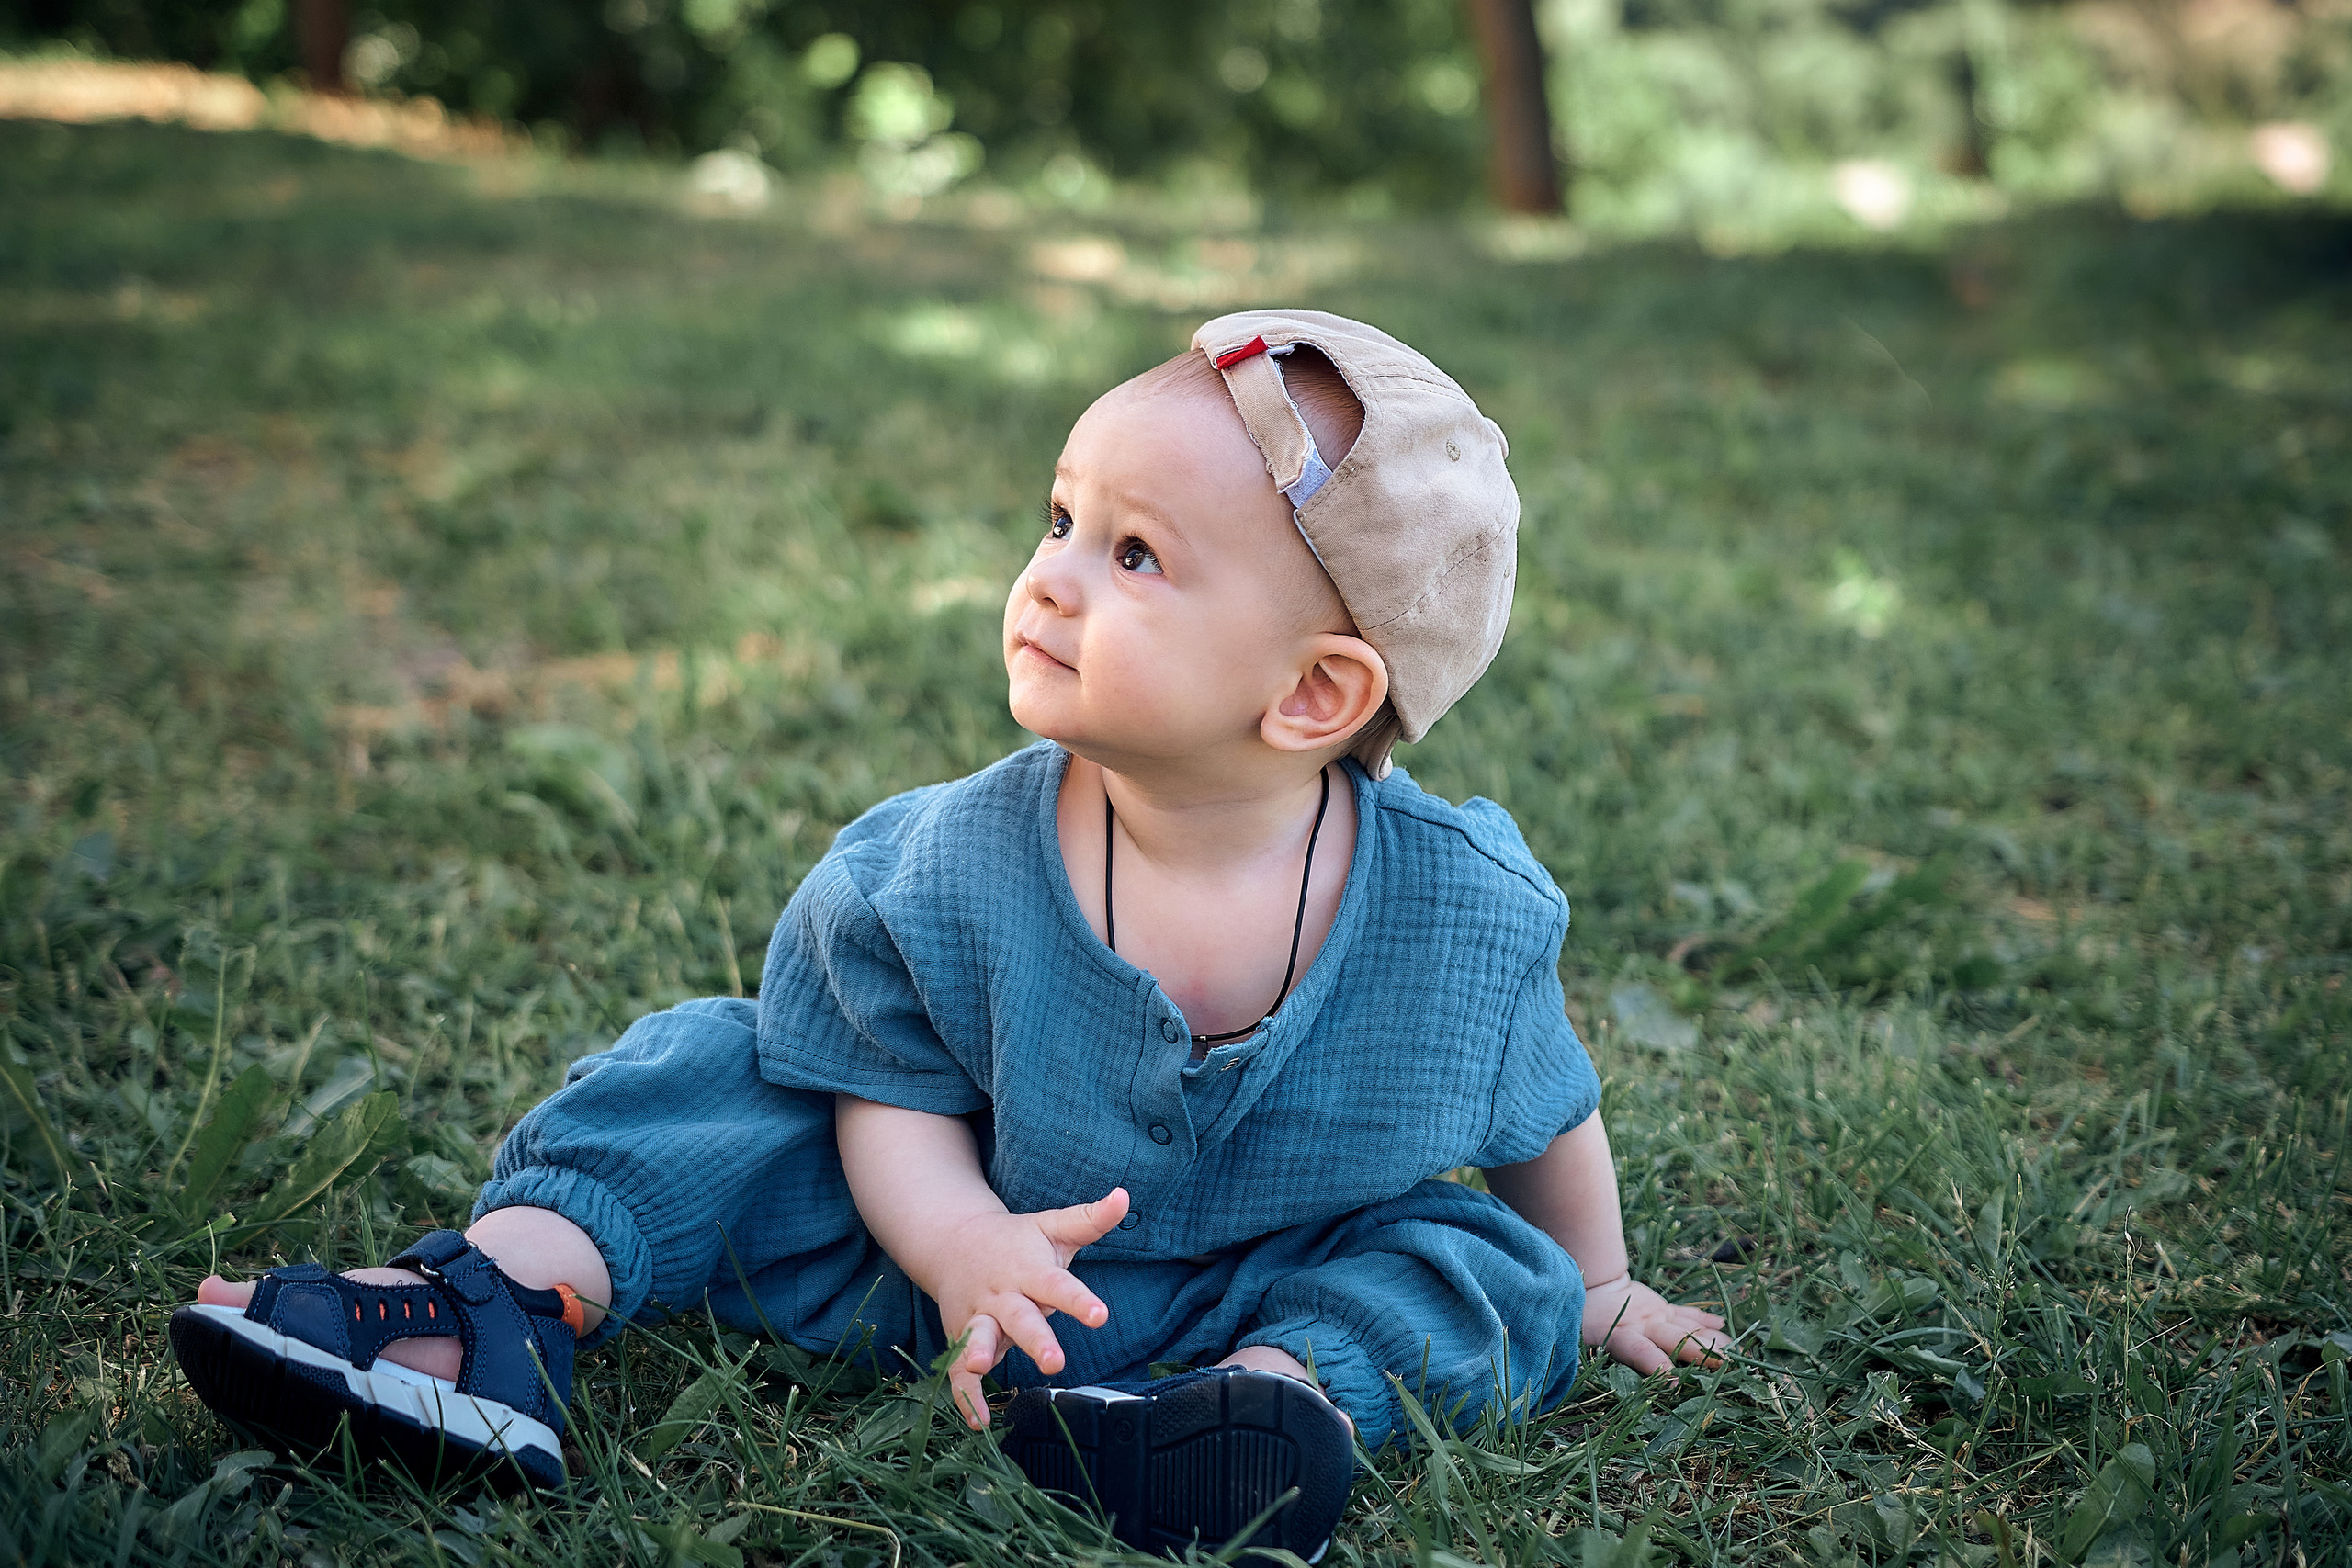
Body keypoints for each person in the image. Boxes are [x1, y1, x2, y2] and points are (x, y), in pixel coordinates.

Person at [170, 309, 1728, 1558]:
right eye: (1059, 518)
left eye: (1133, 557)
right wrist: (959, 1242)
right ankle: (497, 1304)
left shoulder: (1460, 914)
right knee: (725, 1074)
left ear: (1314, 693)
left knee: (1483, 1266)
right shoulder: (941, 862)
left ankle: (1248, 1409)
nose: (1047, 579)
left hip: (1274, 1269)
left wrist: (1597, 1287)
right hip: (934, 1238)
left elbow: (1546, 1109)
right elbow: (884, 1092)